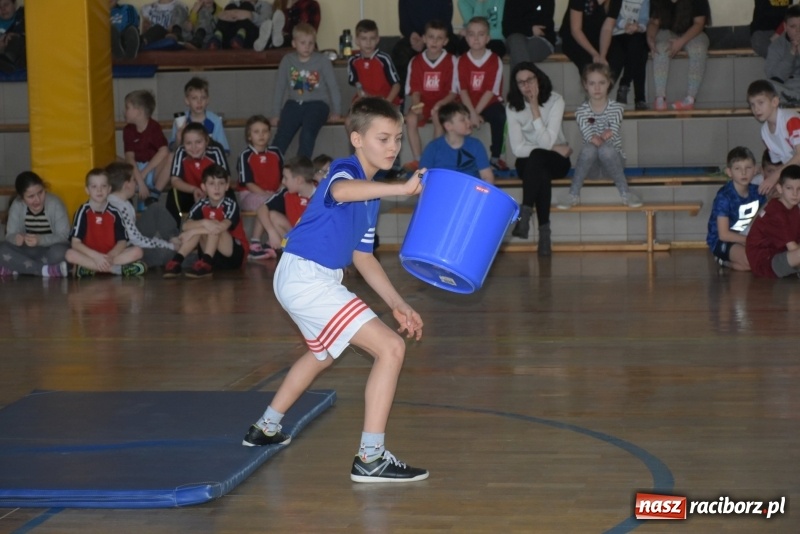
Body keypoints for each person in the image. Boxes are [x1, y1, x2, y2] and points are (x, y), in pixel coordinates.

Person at [241, 97, 428, 484]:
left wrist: (397, 303)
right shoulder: (345, 171)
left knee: (322, 354)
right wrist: (401, 188)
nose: (393, 147)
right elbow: (341, 191)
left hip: (312, 278)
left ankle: (266, 426)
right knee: (391, 348)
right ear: (357, 139)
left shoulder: (371, 195)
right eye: (383, 138)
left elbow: (363, 257)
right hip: (306, 277)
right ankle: (370, 458)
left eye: (397, 138)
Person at [506, 62, 572, 256]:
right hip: (530, 161)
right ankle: (544, 234)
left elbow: (547, 140)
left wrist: (535, 108)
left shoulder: (555, 100)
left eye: (530, 80)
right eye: (521, 83)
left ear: (538, 79)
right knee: (537, 164)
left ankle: (524, 216)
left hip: (557, 162)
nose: (526, 85)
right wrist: (555, 148)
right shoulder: (512, 107)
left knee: (539, 160)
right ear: (515, 86)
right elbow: (517, 148)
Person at [557, 63, 640, 209]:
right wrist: (597, 137)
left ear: (609, 83)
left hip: (613, 164)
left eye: (601, 83)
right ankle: (573, 194)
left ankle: (626, 194)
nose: (597, 88)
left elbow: (612, 131)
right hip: (593, 168)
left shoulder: (617, 108)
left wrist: (603, 136)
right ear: (585, 85)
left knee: (606, 149)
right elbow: (589, 135)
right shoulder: (581, 112)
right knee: (590, 149)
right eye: (592, 83)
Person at [271, 22, 343, 159]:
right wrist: (276, 113)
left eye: (311, 43)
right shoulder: (287, 61)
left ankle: (302, 171)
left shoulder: (322, 61)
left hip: (318, 104)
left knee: (307, 134)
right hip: (294, 103)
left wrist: (336, 111)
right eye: (303, 43)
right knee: (282, 136)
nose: (307, 47)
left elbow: (333, 86)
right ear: (294, 43)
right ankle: (272, 167)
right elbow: (279, 87)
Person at [163, 164, 247, 278]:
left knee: (214, 226)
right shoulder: (201, 205)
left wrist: (194, 231)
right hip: (211, 255)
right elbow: (185, 226)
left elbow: (220, 227)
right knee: (203, 225)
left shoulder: (231, 204)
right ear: (203, 187)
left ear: (227, 186)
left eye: (221, 183)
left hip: (232, 257)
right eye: (212, 184)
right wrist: (203, 223)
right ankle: (177, 262)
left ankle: (205, 263)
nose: (216, 188)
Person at [65, 169, 147, 278]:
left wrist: (109, 257)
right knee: (69, 254)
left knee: (138, 251)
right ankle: (115, 270)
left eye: (103, 186)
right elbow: (75, 243)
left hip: (111, 256)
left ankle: (90, 269)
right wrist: (97, 257)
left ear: (109, 189)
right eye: (94, 187)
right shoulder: (82, 211)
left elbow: (122, 241)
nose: (99, 190)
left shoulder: (115, 212)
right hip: (91, 256)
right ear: (87, 190)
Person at [403, 20, 458, 173]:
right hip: (423, 103)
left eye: (439, 38)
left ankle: (434, 158)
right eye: (431, 37)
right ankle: (418, 160)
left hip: (444, 103)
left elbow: (453, 91)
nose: (434, 41)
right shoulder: (416, 61)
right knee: (411, 118)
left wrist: (440, 104)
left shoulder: (451, 61)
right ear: (424, 39)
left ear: (445, 41)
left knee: (437, 115)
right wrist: (416, 106)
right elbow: (415, 91)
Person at [457, 16, 508, 172]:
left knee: (500, 115)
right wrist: (471, 113)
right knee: (456, 116)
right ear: (466, 38)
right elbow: (463, 90)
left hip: (488, 102)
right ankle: (460, 156)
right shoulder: (461, 61)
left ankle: (495, 157)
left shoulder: (495, 60)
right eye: (471, 34)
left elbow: (490, 90)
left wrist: (476, 113)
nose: (476, 38)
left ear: (488, 38)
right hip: (467, 103)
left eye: (481, 34)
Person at [107, 162, 179, 268]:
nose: (136, 184)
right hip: (126, 249)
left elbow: (136, 235)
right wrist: (169, 246)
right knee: (164, 254)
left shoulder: (125, 202)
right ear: (126, 185)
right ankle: (181, 253)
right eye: (134, 180)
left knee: (156, 208)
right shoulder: (118, 207)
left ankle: (175, 239)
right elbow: (136, 239)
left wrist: (169, 243)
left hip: (133, 242)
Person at [707, 147, 766, 272]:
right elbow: (723, 234)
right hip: (721, 241)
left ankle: (731, 262)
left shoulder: (757, 192)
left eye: (748, 168)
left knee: (757, 262)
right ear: (729, 172)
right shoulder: (724, 196)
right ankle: (722, 260)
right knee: (751, 260)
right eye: (737, 169)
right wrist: (751, 241)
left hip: (744, 238)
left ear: (755, 170)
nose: (743, 173)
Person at [0, 171, 69, 278]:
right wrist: (16, 238)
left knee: (60, 253)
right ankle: (45, 270)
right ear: (22, 198)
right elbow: (10, 235)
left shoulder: (55, 203)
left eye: (40, 192)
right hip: (29, 250)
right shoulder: (17, 205)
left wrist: (40, 240)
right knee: (2, 249)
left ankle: (19, 267)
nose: (37, 199)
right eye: (31, 196)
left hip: (50, 250)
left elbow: (64, 236)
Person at [647, 0, 711, 111]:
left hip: (693, 32)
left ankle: (690, 98)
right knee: (660, 48)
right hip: (666, 32)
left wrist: (680, 42)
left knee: (698, 49)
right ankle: (660, 98)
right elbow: (654, 22)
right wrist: (650, 39)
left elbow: (699, 23)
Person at [236, 115, 284, 259]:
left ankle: (271, 243)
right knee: (267, 203)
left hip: (272, 193)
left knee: (283, 200)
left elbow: (284, 177)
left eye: (265, 131)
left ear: (269, 133)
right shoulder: (246, 155)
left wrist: (278, 192)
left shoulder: (276, 153)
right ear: (249, 136)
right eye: (256, 132)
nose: (261, 135)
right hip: (250, 195)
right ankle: (255, 243)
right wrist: (268, 195)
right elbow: (248, 183)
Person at [252, 155, 317, 258]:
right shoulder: (286, 193)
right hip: (296, 239)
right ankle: (291, 252)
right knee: (272, 215)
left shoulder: (322, 195)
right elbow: (261, 209)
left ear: (299, 180)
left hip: (315, 244)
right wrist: (271, 232)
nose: (283, 182)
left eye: (286, 178)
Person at [167, 122, 230, 226]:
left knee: (229, 193)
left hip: (213, 192)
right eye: (188, 143)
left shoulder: (215, 151)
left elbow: (225, 177)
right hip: (190, 193)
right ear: (183, 144)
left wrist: (208, 192)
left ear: (206, 141)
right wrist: (194, 189)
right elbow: (174, 181)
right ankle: (173, 233)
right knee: (172, 195)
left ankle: (229, 230)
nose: (194, 147)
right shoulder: (180, 152)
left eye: (198, 142)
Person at [745, 163, 800, 278]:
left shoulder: (794, 209)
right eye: (789, 188)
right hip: (765, 262)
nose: (795, 194)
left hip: (781, 254)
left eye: (799, 189)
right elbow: (793, 247)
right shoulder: (776, 212)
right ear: (780, 188)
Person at [747, 79, 800, 195]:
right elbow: (779, 163)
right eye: (752, 105)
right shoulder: (764, 132)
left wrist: (775, 176)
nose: (756, 109)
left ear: (774, 101)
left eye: (760, 103)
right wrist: (759, 171)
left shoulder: (791, 120)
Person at [419, 102, 494, 183]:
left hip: (470, 192)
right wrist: (422, 182)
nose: (469, 122)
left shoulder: (476, 146)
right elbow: (420, 175)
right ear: (448, 126)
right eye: (463, 120)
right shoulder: (433, 148)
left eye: (468, 118)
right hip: (442, 191)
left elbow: (487, 176)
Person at [391, 0, 456, 90]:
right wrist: (411, 34)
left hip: (439, 35)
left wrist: (426, 39)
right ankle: (405, 96)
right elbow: (404, 24)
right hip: (415, 37)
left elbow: (445, 22)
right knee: (400, 52)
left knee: (453, 48)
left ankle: (448, 94)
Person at [122, 90, 171, 209]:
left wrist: (145, 174)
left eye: (127, 108)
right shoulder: (128, 130)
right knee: (112, 159)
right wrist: (140, 180)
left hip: (152, 170)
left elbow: (164, 150)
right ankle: (125, 198)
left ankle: (155, 194)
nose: (124, 112)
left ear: (138, 112)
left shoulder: (154, 127)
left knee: (171, 156)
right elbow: (130, 158)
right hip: (135, 171)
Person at [168, 77, 231, 154]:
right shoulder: (180, 121)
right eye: (194, 98)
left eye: (203, 98)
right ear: (187, 101)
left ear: (207, 100)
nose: (199, 102)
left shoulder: (215, 121)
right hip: (186, 160)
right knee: (170, 157)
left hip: (209, 159)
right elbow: (174, 150)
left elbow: (223, 150)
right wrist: (178, 138)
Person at [559, 0, 621, 78]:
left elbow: (607, 29)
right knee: (588, 64)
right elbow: (576, 30)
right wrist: (594, 54)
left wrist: (602, 56)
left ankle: (604, 88)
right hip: (575, 39)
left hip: (598, 38)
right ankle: (592, 88)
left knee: (617, 57)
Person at [347, 19, 402, 106]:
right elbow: (357, 85)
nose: (368, 43)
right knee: (352, 116)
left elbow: (396, 86)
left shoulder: (384, 59)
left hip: (387, 100)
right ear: (357, 41)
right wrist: (363, 97)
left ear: (377, 40)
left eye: (372, 38)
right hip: (365, 100)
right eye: (364, 38)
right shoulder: (353, 61)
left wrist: (387, 103)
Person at [609, 0, 650, 110]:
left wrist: (638, 27)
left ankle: (625, 85)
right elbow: (613, 16)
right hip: (618, 34)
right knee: (638, 51)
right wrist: (625, 25)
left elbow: (644, 19)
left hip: (636, 34)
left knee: (640, 49)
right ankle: (640, 98)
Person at [502, 0, 556, 68]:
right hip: (515, 39)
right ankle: (529, 77)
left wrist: (520, 26)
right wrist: (530, 29)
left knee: (518, 51)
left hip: (541, 40)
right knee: (516, 40)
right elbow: (507, 28)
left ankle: (522, 77)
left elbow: (543, 27)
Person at [765, 5, 800, 106]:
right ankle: (793, 100)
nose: (798, 31)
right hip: (786, 89)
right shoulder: (776, 46)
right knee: (767, 86)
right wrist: (791, 53)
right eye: (793, 27)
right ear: (785, 27)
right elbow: (775, 77)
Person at [208, 0, 272, 50]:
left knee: (247, 5)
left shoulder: (264, 5)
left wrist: (250, 15)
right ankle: (217, 38)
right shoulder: (233, 3)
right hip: (230, 39)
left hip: (249, 38)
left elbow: (266, 22)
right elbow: (217, 21)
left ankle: (240, 36)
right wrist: (223, 15)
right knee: (231, 6)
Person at [0, 0, 25, 73]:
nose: (3, 9)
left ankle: (8, 61)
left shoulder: (23, 18)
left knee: (13, 39)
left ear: (14, 5)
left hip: (16, 53)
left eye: (6, 5)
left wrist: (17, 35)